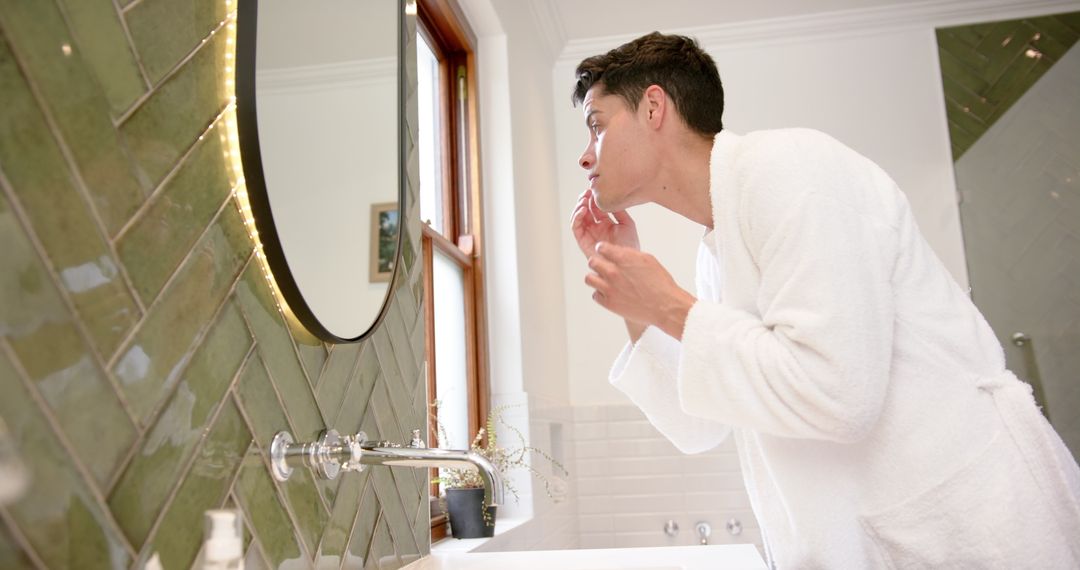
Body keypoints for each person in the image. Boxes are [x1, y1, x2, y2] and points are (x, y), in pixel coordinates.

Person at [568, 31, 1080, 569]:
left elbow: (838, 393)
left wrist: (669, 304)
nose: (584, 155)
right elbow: (698, 426)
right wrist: (630, 290)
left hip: (971, 527)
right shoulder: (718, 250)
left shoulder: (793, 170)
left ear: (654, 107)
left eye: (597, 126)